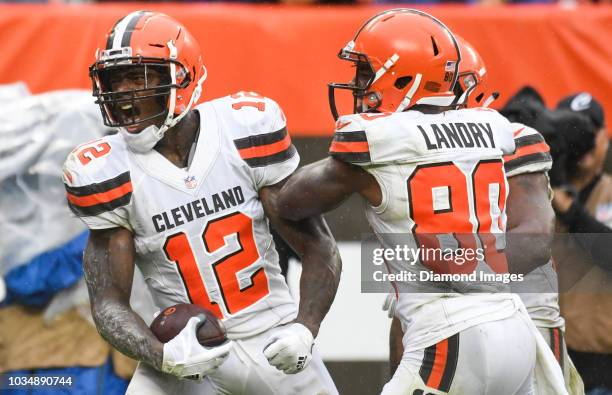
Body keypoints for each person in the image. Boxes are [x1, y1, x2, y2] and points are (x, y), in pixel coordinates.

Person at [277, 8, 566, 394]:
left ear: (405, 77)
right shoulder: (495, 130)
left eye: (366, 72)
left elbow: (290, 201)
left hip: (450, 331)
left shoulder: (379, 140)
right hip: (511, 323)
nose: (358, 85)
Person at [62, 11, 340, 394]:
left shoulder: (243, 131)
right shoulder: (106, 172)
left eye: (138, 78)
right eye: (114, 80)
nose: (123, 94)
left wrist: (306, 328)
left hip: (270, 336)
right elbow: (109, 304)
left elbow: (319, 248)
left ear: (182, 76)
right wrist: (161, 354)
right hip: (183, 349)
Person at [549, 93, 612, 395]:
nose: (584, 140)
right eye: (574, 130)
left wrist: (572, 213)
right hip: (547, 361)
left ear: (604, 136)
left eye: (590, 129)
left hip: (603, 368)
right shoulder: (537, 198)